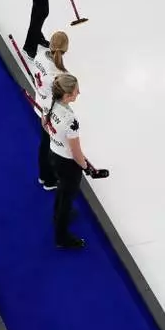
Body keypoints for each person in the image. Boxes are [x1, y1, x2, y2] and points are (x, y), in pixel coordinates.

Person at [45, 74, 107, 249]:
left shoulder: (49, 103)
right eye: (76, 91)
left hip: (53, 153)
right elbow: (76, 151)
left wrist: (57, 139)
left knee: (62, 189)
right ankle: (61, 237)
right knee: (67, 198)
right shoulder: (70, 120)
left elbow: (44, 124)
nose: (78, 93)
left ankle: (57, 214)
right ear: (67, 95)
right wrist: (85, 166)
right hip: (67, 163)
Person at [31, 30, 70, 190]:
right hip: (51, 113)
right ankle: (49, 179)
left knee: (45, 143)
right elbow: (63, 98)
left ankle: (43, 175)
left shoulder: (40, 56)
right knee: (51, 147)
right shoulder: (59, 74)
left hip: (40, 103)